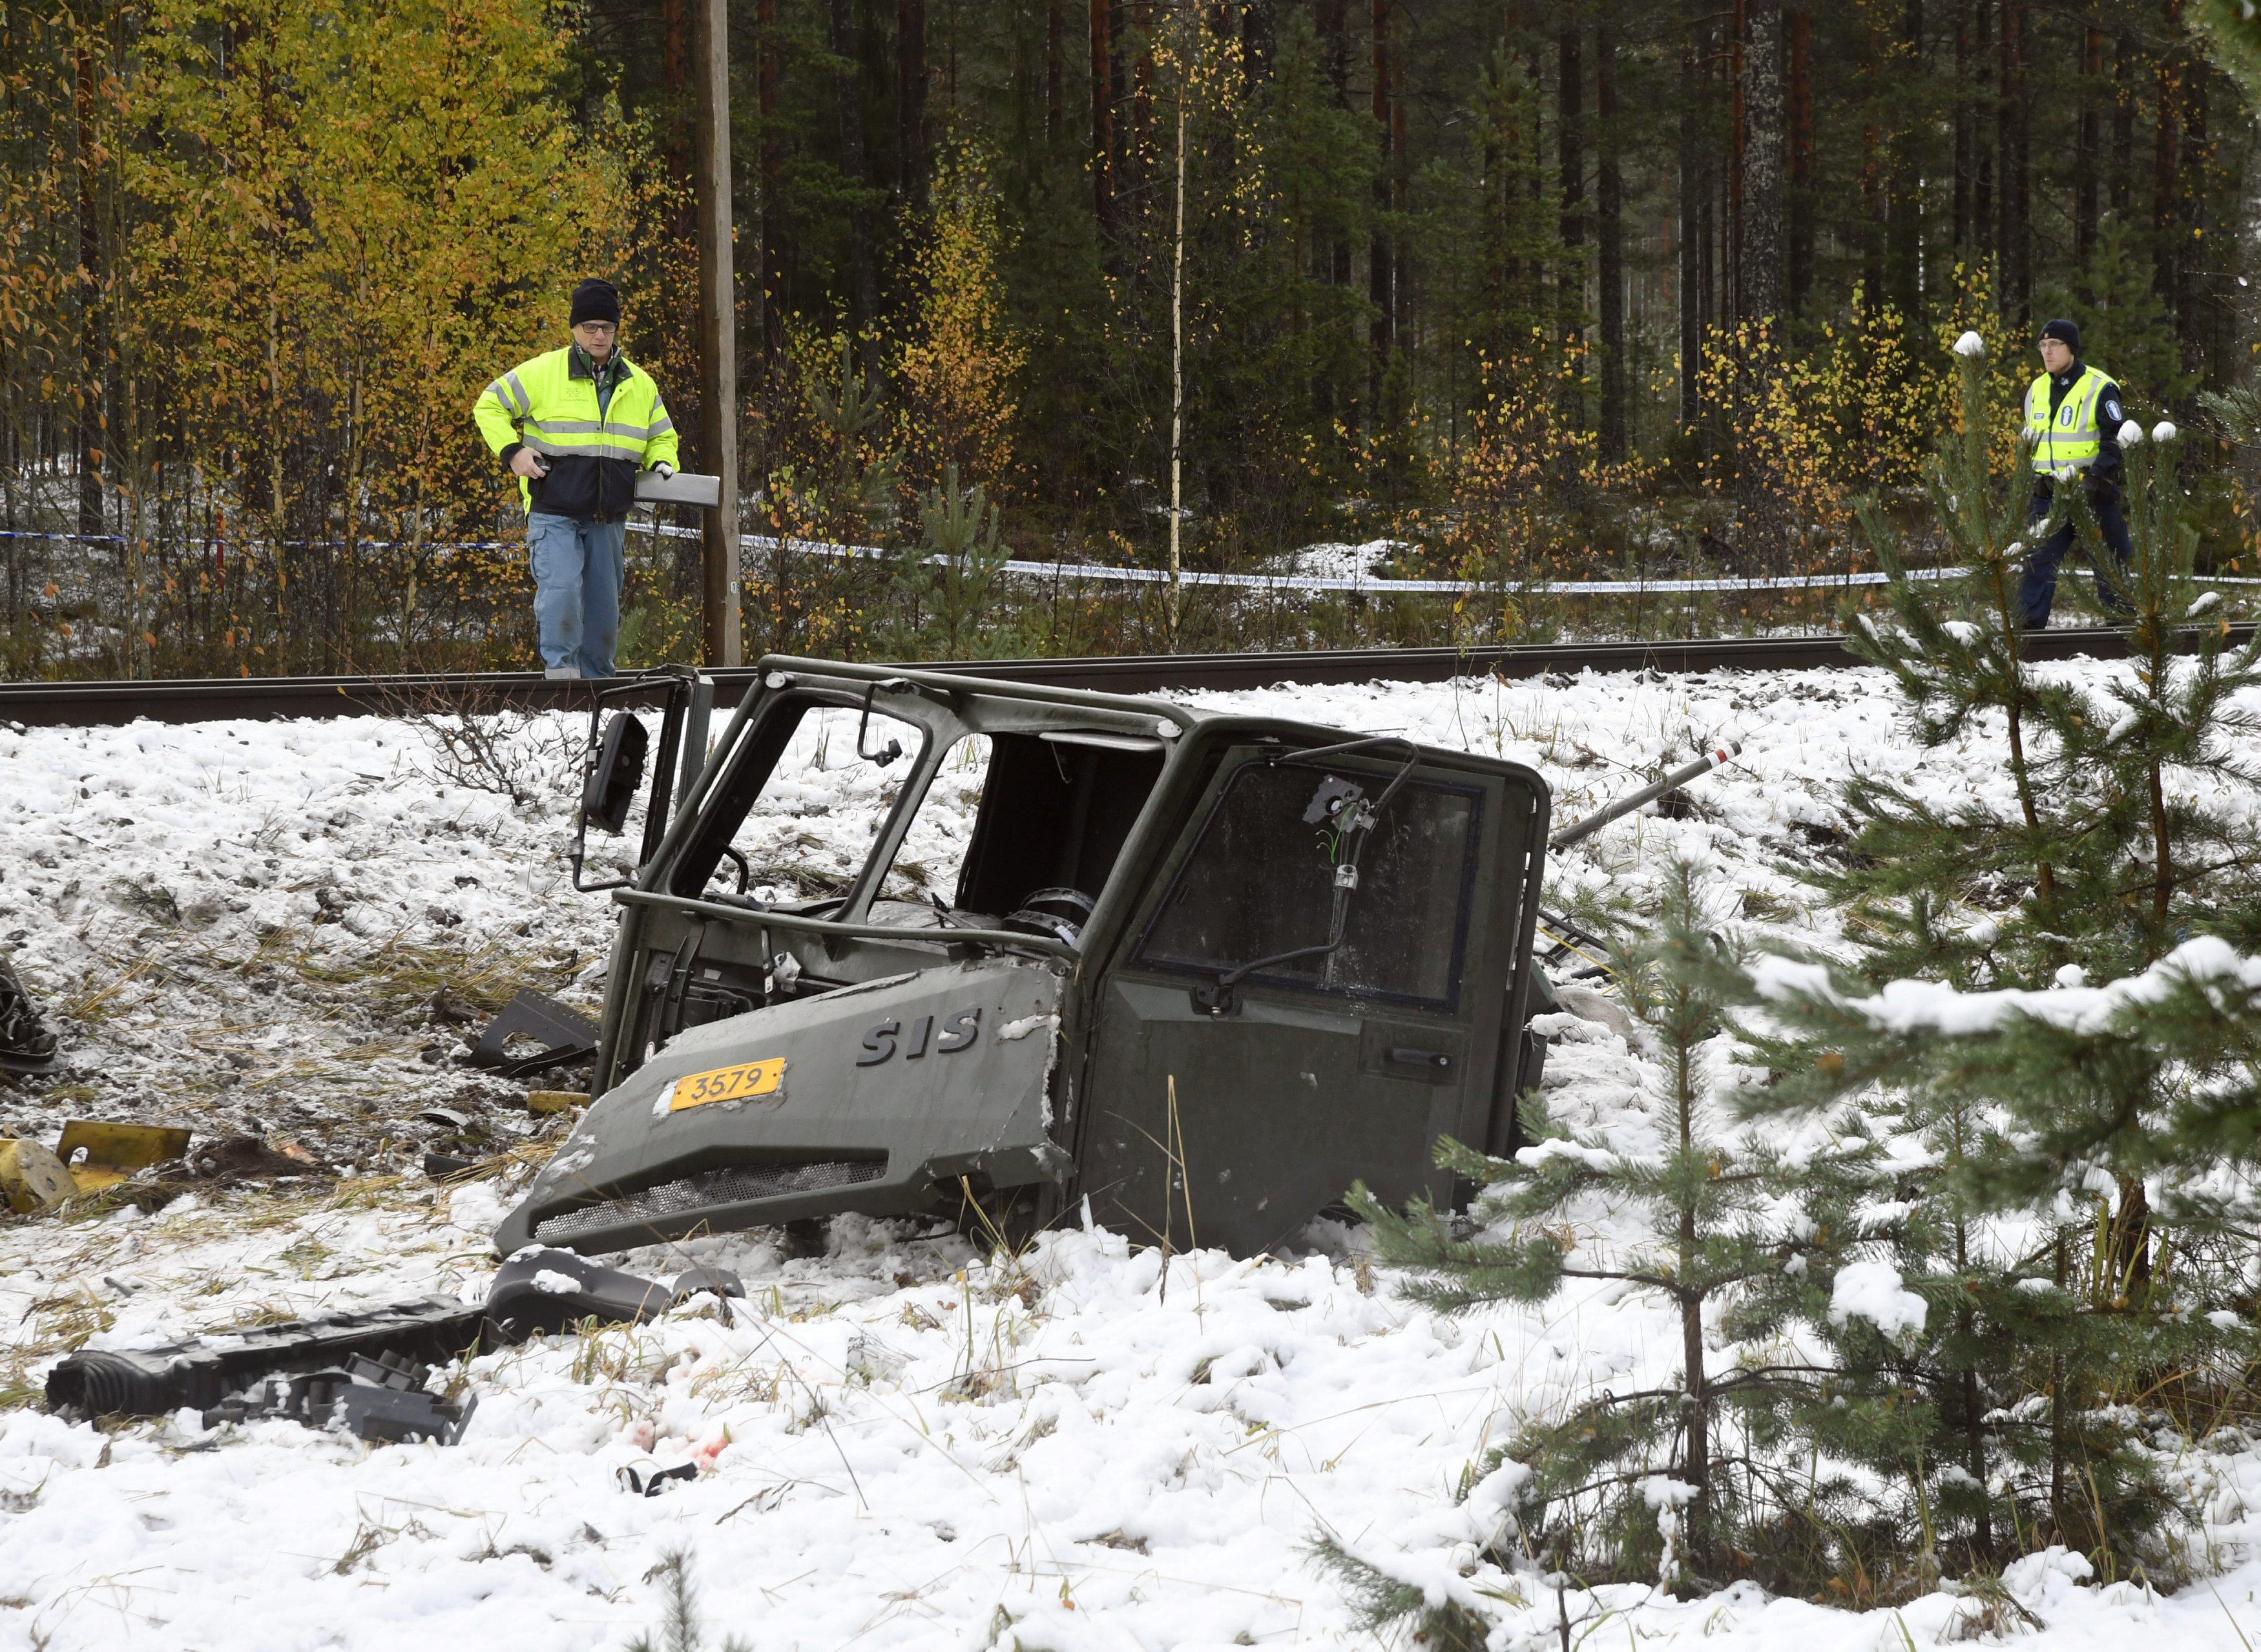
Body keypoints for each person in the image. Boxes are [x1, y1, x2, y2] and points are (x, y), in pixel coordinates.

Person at [474, 278, 680, 678]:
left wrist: (662, 462)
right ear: (574, 329)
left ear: (617, 328)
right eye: (590, 327)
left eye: (607, 326)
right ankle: (563, 683)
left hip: (609, 515)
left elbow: (661, 436)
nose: (599, 335)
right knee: (563, 594)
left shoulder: (640, 383)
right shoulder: (543, 372)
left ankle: (598, 687)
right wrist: (512, 452)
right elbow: (489, 405)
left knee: (603, 607)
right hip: (554, 509)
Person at [2015, 318, 2135, 629]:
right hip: (2048, 496)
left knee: (2110, 564)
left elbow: (2116, 442)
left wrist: (2095, 480)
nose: (2047, 352)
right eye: (2042, 346)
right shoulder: (2037, 389)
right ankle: (2028, 636)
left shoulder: (2099, 386)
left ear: (2072, 348)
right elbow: (2032, 443)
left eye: (2055, 345)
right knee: (2036, 564)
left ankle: (2122, 633)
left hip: (2092, 493)